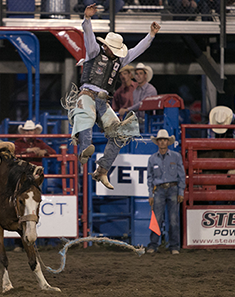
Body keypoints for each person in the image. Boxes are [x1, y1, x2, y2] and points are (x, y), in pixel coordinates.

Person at [62, 3, 160, 190]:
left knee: (121, 132)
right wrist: (87, 19)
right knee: (86, 116)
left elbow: (138, 49)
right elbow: (88, 37)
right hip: (87, 95)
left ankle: (102, 170)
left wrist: (151, 36)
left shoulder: (120, 60)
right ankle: (83, 149)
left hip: (103, 101)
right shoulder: (93, 51)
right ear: (106, 46)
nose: (115, 53)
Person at [146, 129, 185, 255]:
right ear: (157, 142)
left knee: (173, 219)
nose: (162, 142)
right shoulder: (152, 159)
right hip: (159, 190)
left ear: (168, 142)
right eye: (160, 140)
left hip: (173, 189)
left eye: (164, 140)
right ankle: (154, 245)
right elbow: (150, 178)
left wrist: (181, 191)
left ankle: (174, 246)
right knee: (157, 219)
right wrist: (150, 194)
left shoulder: (176, 156)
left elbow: (181, 176)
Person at [119, 62, 157, 131]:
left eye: (141, 73)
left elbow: (143, 104)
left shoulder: (151, 89)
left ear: (145, 75)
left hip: (149, 123)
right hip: (138, 123)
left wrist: (127, 110)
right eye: (136, 74)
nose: (138, 76)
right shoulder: (135, 91)